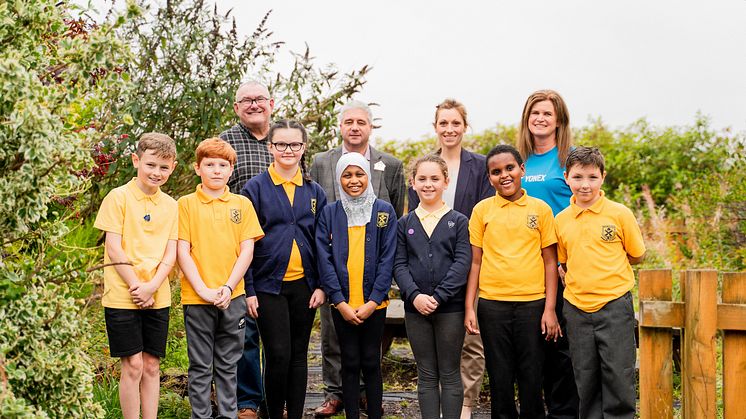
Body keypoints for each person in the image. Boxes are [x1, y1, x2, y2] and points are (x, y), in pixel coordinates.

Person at [309, 100, 406, 417]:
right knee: (343, 354)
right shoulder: (329, 205)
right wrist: (337, 297)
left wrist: (376, 296)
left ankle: (372, 407)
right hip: (340, 297)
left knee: (369, 359)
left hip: (373, 299)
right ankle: (341, 401)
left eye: (359, 174)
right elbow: (322, 251)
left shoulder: (383, 205)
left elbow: (389, 251)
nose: (353, 180)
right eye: (346, 175)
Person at [407, 99, 493, 419]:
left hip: (469, 257)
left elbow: (485, 213)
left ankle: (465, 405)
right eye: (443, 123)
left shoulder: (479, 165)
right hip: (430, 262)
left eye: (455, 123)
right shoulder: (426, 166)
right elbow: (412, 217)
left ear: (464, 127)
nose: (449, 129)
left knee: (471, 335)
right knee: (434, 358)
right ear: (435, 127)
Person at [464, 144, 561, 419]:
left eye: (509, 168)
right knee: (500, 377)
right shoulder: (482, 211)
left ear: (522, 170)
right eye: (496, 172)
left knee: (532, 375)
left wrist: (550, 309)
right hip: (493, 305)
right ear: (489, 177)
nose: (504, 175)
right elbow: (475, 262)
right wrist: (470, 307)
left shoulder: (540, 210)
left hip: (533, 304)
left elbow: (550, 261)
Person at [241, 120, 327, 419]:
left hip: (305, 286)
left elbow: (322, 243)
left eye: (294, 144)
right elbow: (245, 243)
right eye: (281, 144)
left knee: (299, 356)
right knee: (277, 354)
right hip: (267, 286)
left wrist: (321, 285)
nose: (287, 150)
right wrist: (249, 289)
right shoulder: (255, 188)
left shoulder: (314, 191)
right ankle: (273, 413)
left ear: (303, 148)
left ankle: (296, 413)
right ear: (270, 147)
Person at [177, 138, 265, 419]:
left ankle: (229, 414)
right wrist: (203, 290)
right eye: (209, 164)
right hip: (197, 297)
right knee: (201, 365)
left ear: (231, 170)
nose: (216, 170)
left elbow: (247, 250)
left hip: (233, 297)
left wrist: (228, 287)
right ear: (197, 168)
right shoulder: (185, 205)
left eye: (223, 165)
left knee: (229, 364)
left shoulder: (242, 204)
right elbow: (182, 251)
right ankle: (200, 415)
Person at [556, 147, 645, 419]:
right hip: (576, 308)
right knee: (586, 378)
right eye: (578, 177)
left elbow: (637, 255)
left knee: (618, 376)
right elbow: (564, 262)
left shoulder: (619, 214)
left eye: (592, 177)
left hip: (614, 305)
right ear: (566, 177)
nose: (585, 184)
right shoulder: (560, 220)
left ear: (603, 177)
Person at [94, 133, 178, 419]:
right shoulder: (118, 198)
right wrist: (136, 286)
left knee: (152, 365)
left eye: (164, 168)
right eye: (150, 165)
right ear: (136, 160)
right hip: (122, 294)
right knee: (133, 365)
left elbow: (171, 253)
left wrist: (152, 286)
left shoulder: (171, 205)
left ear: (173, 167)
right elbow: (114, 247)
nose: (157, 173)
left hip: (157, 294)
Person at [517, 89, 579, 419]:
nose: (540, 119)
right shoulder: (520, 162)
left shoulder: (568, 160)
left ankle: (565, 413)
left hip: (564, 266)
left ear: (559, 121)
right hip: (528, 268)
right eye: (534, 113)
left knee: (562, 348)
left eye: (547, 114)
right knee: (533, 348)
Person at [395, 154, 471, 419]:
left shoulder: (459, 221)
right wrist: (414, 296)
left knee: (449, 372)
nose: (428, 184)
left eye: (435, 178)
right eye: (422, 179)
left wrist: (438, 296)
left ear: (446, 182)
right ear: (413, 183)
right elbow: (399, 264)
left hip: (450, 309)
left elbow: (462, 263)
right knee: (426, 373)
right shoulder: (404, 224)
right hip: (415, 310)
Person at [219, 80, 274, 419]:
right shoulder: (226, 142)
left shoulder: (284, 139)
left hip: (280, 246)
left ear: (271, 103)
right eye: (246, 101)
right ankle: (249, 402)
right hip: (239, 246)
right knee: (246, 331)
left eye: (259, 99)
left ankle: (277, 397)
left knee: (279, 331)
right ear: (236, 107)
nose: (254, 105)